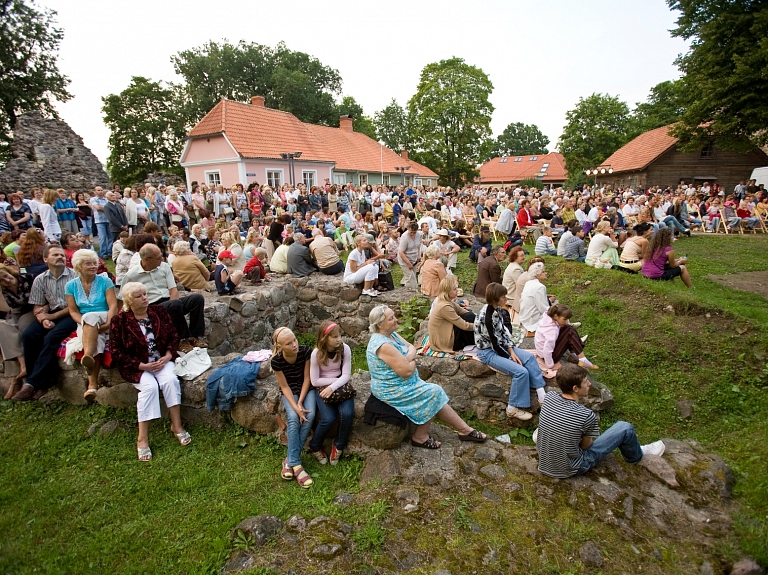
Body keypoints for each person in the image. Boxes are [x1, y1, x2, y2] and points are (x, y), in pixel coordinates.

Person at [367, 305, 487, 448]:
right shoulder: (383, 345)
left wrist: (409, 357)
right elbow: (406, 371)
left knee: (435, 395)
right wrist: (411, 359)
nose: (396, 320)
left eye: (394, 316)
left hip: (405, 383)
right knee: (434, 393)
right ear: (380, 324)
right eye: (391, 318)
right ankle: (420, 436)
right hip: (391, 389)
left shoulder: (391, 334)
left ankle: (464, 430)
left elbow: (412, 347)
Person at [536, 363, 665, 478]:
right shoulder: (586, 415)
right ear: (575, 388)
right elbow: (586, 446)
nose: (589, 384)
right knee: (624, 428)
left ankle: (553, 440)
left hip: (544, 463)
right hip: (571, 468)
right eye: (586, 381)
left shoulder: (549, 398)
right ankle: (637, 456)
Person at [110, 282, 190, 461]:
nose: (145, 298)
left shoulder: (158, 312)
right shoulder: (120, 321)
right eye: (139, 296)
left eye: (145, 294)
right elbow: (116, 351)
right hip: (137, 366)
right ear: (130, 301)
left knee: (170, 380)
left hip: (162, 359)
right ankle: (142, 438)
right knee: (150, 388)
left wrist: (168, 355)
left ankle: (176, 426)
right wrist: (142, 366)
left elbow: (173, 335)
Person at [12, 246, 77, 401]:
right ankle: (41, 381)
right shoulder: (40, 279)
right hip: (50, 314)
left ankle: (32, 383)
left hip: (71, 314)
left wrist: (52, 316)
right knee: (29, 335)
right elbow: (38, 305)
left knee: (52, 337)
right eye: (55, 255)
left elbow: (75, 306)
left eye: (62, 255)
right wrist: (43, 318)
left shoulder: (74, 276)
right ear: (45, 259)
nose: (60, 257)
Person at [474, 282, 546, 421]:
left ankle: (541, 394)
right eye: (503, 297)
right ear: (496, 299)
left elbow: (503, 333)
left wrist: (512, 350)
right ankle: (512, 408)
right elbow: (494, 344)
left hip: (501, 346)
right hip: (488, 352)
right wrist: (509, 356)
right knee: (521, 371)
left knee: (529, 358)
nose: (506, 299)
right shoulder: (486, 317)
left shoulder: (497, 310)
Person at [119, 244, 207, 352]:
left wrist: (174, 304)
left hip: (169, 301)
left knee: (196, 298)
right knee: (174, 304)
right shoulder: (131, 275)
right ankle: (182, 339)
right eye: (158, 258)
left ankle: (195, 336)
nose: (162, 259)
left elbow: (173, 289)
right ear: (147, 259)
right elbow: (121, 298)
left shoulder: (164, 267)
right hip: (151, 306)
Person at [65, 249, 118, 401]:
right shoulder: (70, 286)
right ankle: (92, 387)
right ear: (78, 266)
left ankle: (87, 355)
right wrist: (83, 323)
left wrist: (108, 322)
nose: (93, 266)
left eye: (94, 263)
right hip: (85, 323)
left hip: (105, 317)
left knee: (90, 316)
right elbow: (73, 311)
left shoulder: (105, 281)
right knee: (98, 339)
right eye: (88, 264)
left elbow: (113, 305)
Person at [271, 327, 316, 488]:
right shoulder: (276, 361)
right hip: (289, 391)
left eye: (295, 340)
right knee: (293, 418)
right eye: (289, 343)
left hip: (305, 389)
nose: (294, 345)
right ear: (280, 346)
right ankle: (296, 464)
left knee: (309, 415)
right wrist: (295, 408)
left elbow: (307, 378)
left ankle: (290, 460)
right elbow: (284, 387)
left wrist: (300, 402)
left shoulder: (305, 352)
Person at [308, 320, 353, 466]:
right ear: (324, 338)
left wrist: (333, 386)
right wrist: (333, 382)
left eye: (339, 335)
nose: (339, 339)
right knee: (328, 418)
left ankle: (338, 445)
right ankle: (315, 445)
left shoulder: (345, 349)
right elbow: (314, 381)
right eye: (334, 337)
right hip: (322, 387)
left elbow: (346, 375)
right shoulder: (316, 354)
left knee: (347, 414)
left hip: (339, 386)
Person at [0, 265, 35, 398]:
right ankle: (22, 363)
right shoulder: (4, 291)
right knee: (2, 327)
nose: (7, 280)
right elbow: (5, 310)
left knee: (18, 331)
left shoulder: (28, 278)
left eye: (6, 275)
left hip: (32, 310)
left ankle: (14, 381)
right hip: (16, 312)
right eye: (2, 280)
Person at [535, 304, 597, 377]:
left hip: (543, 352)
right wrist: (550, 365)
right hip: (548, 357)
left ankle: (575, 356)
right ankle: (582, 359)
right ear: (555, 316)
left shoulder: (547, 319)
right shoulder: (552, 330)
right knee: (570, 332)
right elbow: (547, 350)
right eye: (564, 319)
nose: (566, 321)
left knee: (568, 328)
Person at [428, 275, 475, 353]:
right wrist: (480, 326)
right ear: (447, 291)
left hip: (445, 334)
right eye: (454, 289)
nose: (457, 291)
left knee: (469, 316)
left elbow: (463, 312)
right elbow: (464, 325)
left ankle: (481, 337)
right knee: (469, 324)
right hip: (443, 342)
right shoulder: (444, 306)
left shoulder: (447, 301)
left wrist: (479, 319)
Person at [397, 222, 422, 290]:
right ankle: (415, 290)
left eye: (414, 232)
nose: (412, 234)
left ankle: (408, 289)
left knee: (412, 275)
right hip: (404, 258)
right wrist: (408, 263)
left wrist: (418, 255)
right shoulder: (404, 237)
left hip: (414, 257)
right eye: (411, 232)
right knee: (411, 277)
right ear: (408, 229)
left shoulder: (419, 235)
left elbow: (418, 246)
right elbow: (401, 252)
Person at [502, 247, 525, 314]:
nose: (524, 257)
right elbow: (521, 285)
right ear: (515, 257)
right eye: (521, 256)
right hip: (512, 299)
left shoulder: (513, 266)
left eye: (523, 255)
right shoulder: (516, 269)